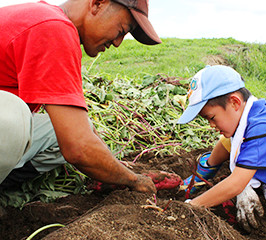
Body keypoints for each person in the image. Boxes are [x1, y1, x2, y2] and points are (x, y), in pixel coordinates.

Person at [0, 0, 162, 195]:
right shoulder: (53, 28)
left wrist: (114, 166)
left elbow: (79, 134)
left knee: (59, 133)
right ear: (97, 4)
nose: (118, 43)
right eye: (121, 30)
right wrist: (133, 181)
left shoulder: (46, 19)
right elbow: (78, 147)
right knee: (13, 117)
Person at [178, 65, 266, 235]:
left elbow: (236, 183)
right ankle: (204, 171)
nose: (211, 125)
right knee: (228, 140)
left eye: (212, 117)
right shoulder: (253, 113)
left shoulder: (262, 128)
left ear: (235, 102)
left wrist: (192, 206)